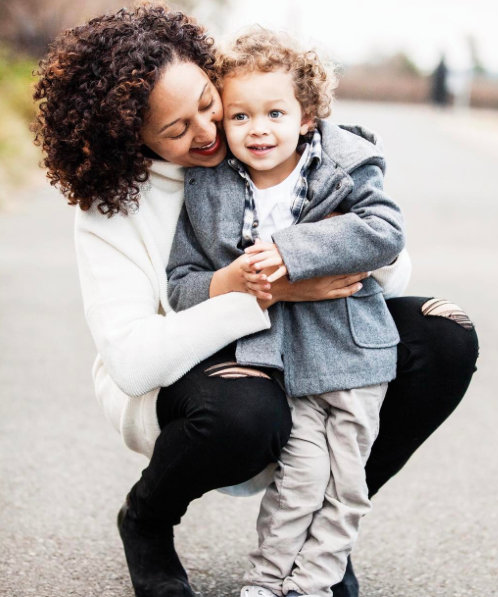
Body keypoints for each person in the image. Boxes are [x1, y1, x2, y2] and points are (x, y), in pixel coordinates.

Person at [31, 4, 479, 597]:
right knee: (245, 412)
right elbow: (135, 362)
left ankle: (324, 534)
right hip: (187, 369)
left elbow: (386, 270)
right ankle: (147, 519)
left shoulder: (285, 148)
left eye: (208, 102)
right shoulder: (113, 209)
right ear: (131, 138)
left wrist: (338, 247)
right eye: (176, 130)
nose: (209, 131)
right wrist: (269, 290)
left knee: (444, 335)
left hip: (309, 335)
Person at [167, 28, 404, 597]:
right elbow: (181, 285)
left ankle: (313, 583)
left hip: (353, 355)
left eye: (275, 113)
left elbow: (385, 232)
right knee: (297, 481)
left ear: (306, 117)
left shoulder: (345, 163)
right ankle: (267, 580)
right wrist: (233, 282)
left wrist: (291, 250)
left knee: (345, 486)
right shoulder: (208, 188)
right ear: (223, 122)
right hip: (279, 360)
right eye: (240, 116)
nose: (258, 129)